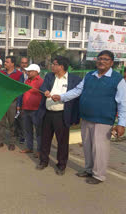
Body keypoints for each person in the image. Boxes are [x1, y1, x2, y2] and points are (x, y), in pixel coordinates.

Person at [52, 50, 126, 184]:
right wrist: (62, 97)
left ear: (111, 63)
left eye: (105, 59)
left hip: (103, 119)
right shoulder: (90, 75)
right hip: (86, 117)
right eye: (99, 58)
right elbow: (77, 91)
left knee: (100, 148)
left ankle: (99, 175)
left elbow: (123, 103)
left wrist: (122, 123)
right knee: (87, 146)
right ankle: (89, 169)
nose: (101, 61)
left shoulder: (117, 79)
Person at [36, 56, 81, 176]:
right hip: (47, 113)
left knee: (62, 142)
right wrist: (45, 90)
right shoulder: (49, 76)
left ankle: (61, 165)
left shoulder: (74, 79)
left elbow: (77, 97)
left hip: (62, 115)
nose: (52, 66)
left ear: (61, 66)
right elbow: (43, 86)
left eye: (54, 64)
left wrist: (76, 117)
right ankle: (43, 161)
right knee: (45, 139)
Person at [0, 56, 22, 150]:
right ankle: (0, 141)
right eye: (5, 62)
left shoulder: (19, 74)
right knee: (0, 122)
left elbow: (20, 90)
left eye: (7, 62)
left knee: (12, 123)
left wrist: (18, 105)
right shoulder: (1, 73)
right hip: (1, 102)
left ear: (12, 63)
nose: (5, 63)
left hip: (12, 102)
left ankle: (12, 142)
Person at [17, 64, 43, 158]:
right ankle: (29, 147)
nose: (28, 73)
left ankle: (40, 150)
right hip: (26, 109)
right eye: (27, 71)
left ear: (36, 72)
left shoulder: (41, 82)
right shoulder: (26, 81)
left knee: (39, 132)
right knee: (28, 130)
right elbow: (22, 94)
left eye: (30, 71)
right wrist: (20, 106)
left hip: (36, 110)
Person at [15, 57, 29, 144]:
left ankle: (23, 136)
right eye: (22, 63)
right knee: (17, 118)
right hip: (18, 97)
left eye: (25, 63)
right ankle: (18, 134)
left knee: (24, 119)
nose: (24, 64)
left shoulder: (30, 73)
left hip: (27, 98)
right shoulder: (17, 73)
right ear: (20, 63)